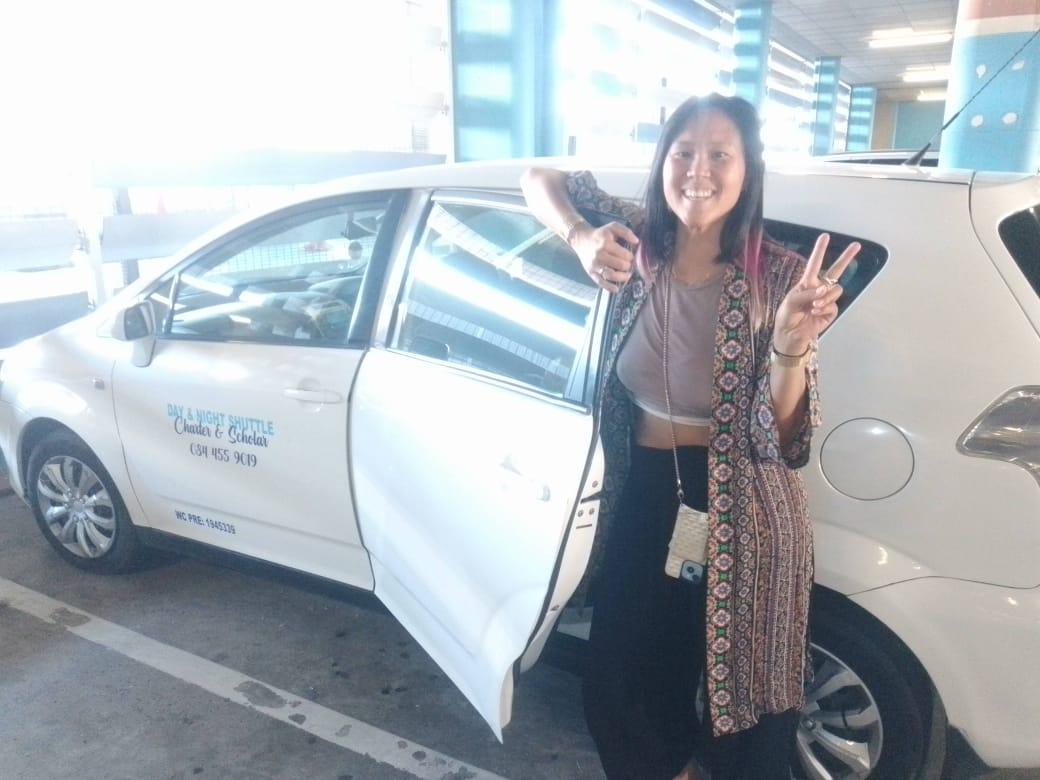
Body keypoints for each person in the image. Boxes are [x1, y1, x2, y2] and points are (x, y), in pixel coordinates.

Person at [521, 93, 859, 780]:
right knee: (624, 686)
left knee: (746, 701)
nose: (698, 171)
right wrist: (579, 236)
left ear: (747, 170)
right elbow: (539, 178)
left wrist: (791, 347)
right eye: (683, 153)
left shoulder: (781, 276)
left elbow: (783, 439)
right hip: (647, 492)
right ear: (662, 163)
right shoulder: (631, 240)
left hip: (748, 506)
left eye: (719, 155)